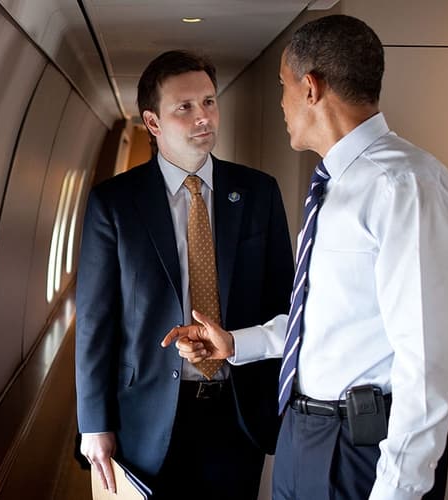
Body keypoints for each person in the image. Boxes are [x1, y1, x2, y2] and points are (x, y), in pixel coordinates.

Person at [162, 15, 448, 500]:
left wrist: (397, 491)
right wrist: (236, 343)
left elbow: (426, 365)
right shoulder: (336, 185)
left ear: (310, 88)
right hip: (305, 434)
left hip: (362, 449)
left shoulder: (405, 188)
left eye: (282, 86)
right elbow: (327, 319)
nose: (281, 103)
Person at [75, 50, 295, 499]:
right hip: (146, 414)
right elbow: (96, 321)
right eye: (185, 107)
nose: (203, 117)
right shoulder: (114, 203)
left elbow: (283, 300)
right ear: (152, 122)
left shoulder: (259, 192)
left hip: (237, 410)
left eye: (209, 102)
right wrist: (94, 424)